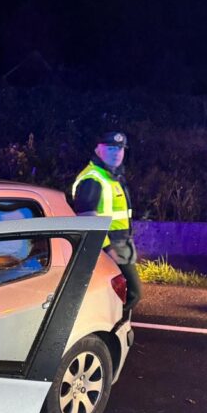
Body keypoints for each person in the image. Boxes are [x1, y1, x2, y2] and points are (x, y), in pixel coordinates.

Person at [71, 131, 142, 314]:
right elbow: (87, 220)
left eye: (120, 149)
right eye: (110, 148)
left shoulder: (111, 176)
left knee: (119, 296)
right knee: (132, 294)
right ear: (98, 150)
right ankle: (111, 332)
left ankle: (113, 329)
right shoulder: (93, 179)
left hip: (121, 246)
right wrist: (108, 250)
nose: (116, 153)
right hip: (107, 247)